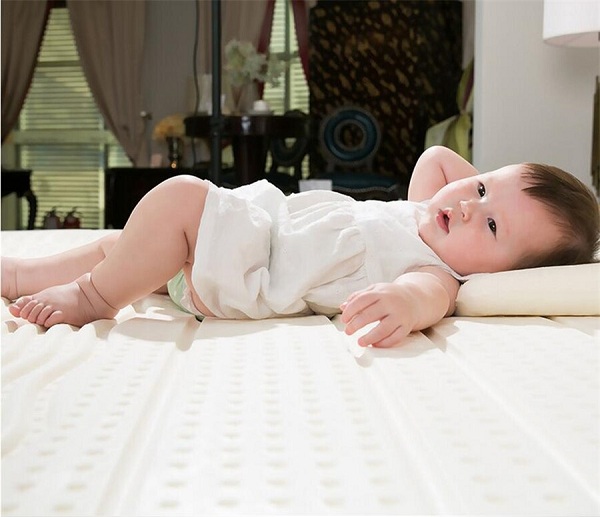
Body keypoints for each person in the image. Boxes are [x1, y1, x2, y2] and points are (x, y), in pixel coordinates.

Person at [2, 146, 598, 347]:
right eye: (481, 187)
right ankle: (22, 275)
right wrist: (483, 202)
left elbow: (426, 299)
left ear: (498, 273)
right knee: (126, 244)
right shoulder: (428, 213)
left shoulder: (437, 270)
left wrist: (407, 304)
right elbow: (437, 159)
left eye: (492, 228)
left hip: (246, 272)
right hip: (241, 241)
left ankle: (92, 298)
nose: (468, 206)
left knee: (180, 198)